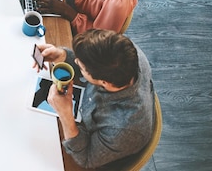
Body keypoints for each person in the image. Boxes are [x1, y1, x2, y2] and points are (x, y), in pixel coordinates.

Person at [35, 29, 155, 169]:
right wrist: (62, 55)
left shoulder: (123, 129)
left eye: (81, 66)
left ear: (105, 83)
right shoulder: (126, 51)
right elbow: (97, 65)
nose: (75, 61)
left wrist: (66, 115)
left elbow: (86, 158)